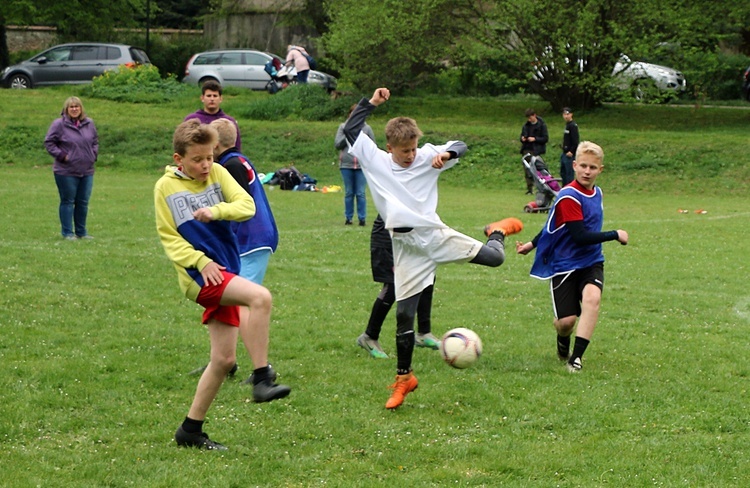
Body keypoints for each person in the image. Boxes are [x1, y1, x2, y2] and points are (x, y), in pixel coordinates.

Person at [343, 87, 523, 409]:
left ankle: (496, 231)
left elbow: (461, 145)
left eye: (413, 148)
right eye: (404, 151)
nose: (410, 155)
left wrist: (448, 155)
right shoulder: (376, 161)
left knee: (495, 258)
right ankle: (404, 379)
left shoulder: (427, 155)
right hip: (406, 247)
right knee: (403, 315)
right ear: (389, 148)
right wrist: (371, 104)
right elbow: (351, 129)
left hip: (435, 236)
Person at [154, 120, 290, 451]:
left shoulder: (217, 172)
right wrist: (201, 262)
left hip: (225, 270)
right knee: (260, 297)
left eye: (209, 157)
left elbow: (247, 206)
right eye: (197, 159)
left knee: (224, 360)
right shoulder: (165, 188)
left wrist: (215, 211)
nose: (205, 165)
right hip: (200, 277)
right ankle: (261, 378)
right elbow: (169, 238)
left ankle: (190, 431)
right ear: (179, 158)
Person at [515, 141, 628, 373]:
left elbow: (554, 224)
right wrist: (615, 234)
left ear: (600, 170)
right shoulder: (568, 196)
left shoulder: (598, 193)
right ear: (574, 166)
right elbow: (577, 235)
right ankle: (562, 340)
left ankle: (575, 359)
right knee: (566, 322)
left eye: (593, 167)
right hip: (564, 264)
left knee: (592, 299)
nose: (587, 171)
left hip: (591, 261)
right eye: (583, 166)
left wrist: (530, 244)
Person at [357, 214, 441, 359]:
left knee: (427, 276)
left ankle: (423, 333)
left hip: (412, 234)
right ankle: (369, 336)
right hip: (388, 236)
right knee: (393, 286)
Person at [44, 96, 98, 240]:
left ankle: (81, 232)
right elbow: (49, 142)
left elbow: (94, 141)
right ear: (66, 109)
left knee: (83, 202)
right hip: (66, 171)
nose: (74, 109)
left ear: (81, 108)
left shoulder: (89, 123)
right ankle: (67, 232)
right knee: (68, 201)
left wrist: (93, 154)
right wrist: (63, 156)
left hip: (86, 170)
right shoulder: (59, 124)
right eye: (71, 107)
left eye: (77, 106)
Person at [335, 105, 375, 226]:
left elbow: (373, 147)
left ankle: (362, 218)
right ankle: (348, 218)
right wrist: (348, 134)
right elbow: (337, 144)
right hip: (346, 165)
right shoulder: (343, 127)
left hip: (361, 165)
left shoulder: (367, 128)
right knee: (349, 192)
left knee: (360, 193)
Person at [184, 80, 241, 150]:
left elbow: (236, 147)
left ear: (220, 98)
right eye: (209, 96)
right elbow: (184, 145)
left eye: (215, 96)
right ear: (202, 98)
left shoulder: (229, 122)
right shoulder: (191, 119)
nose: (212, 99)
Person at [519, 108, 549, 194]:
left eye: (530, 117)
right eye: (528, 118)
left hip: (536, 150)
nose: (529, 119)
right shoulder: (526, 126)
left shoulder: (542, 125)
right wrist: (523, 138)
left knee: (537, 170)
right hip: (526, 149)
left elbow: (545, 138)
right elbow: (521, 135)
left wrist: (535, 139)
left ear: (534, 115)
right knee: (527, 170)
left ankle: (540, 188)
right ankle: (529, 189)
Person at [560, 107, 580, 186]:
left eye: (567, 114)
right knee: (563, 173)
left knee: (569, 174)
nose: (566, 116)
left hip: (569, 155)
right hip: (564, 153)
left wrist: (572, 151)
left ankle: (569, 190)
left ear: (571, 114)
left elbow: (575, 140)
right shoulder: (567, 125)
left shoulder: (573, 126)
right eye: (564, 114)